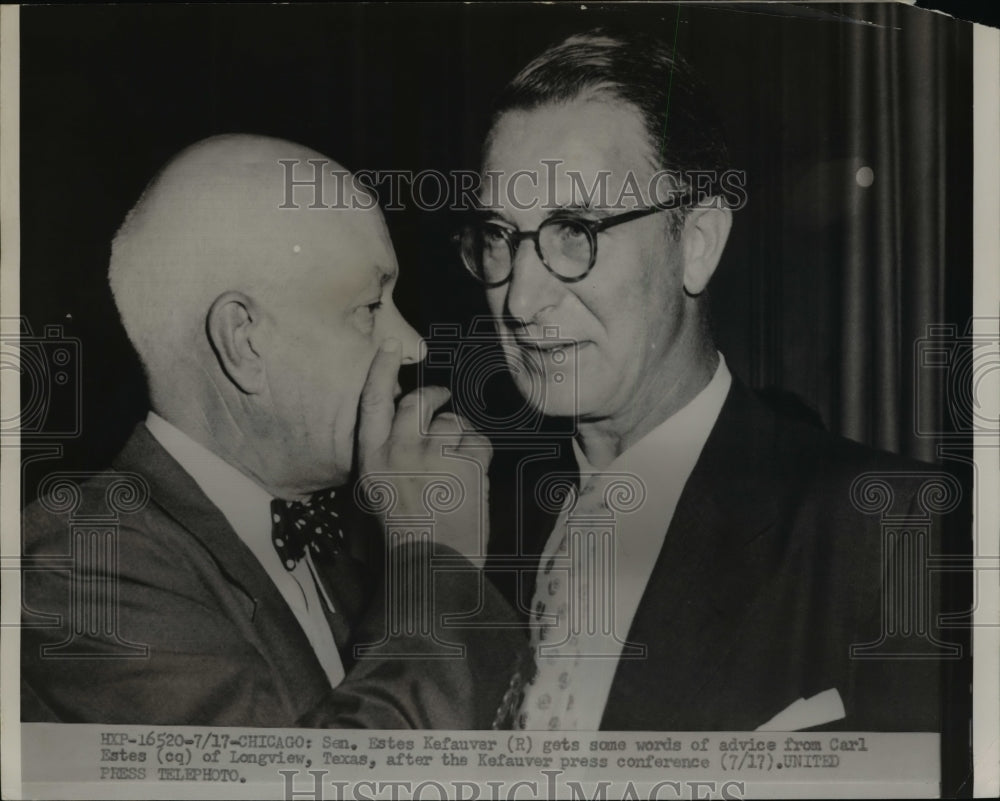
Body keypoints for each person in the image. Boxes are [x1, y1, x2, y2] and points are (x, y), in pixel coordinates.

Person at [460, 31, 957, 732]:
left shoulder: (890, 534)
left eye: (574, 230)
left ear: (695, 245)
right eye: (499, 236)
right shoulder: (470, 536)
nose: (519, 299)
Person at [21, 134, 519, 728]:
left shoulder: (343, 556)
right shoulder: (80, 559)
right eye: (368, 307)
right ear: (245, 342)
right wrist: (435, 564)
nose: (412, 344)